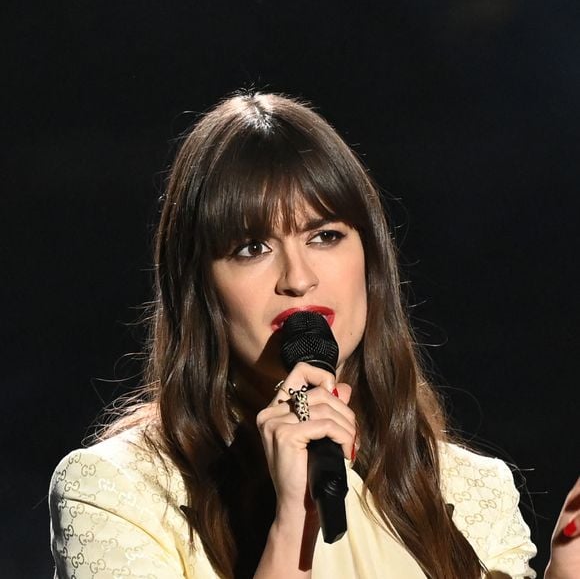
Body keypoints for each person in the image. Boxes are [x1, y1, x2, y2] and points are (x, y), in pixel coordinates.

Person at [49, 92, 538, 578]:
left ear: (370, 261)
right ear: (199, 287)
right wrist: (292, 524)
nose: (298, 278)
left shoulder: (470, 489)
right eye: (252, 247)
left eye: (324, 236)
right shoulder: (117, 490)